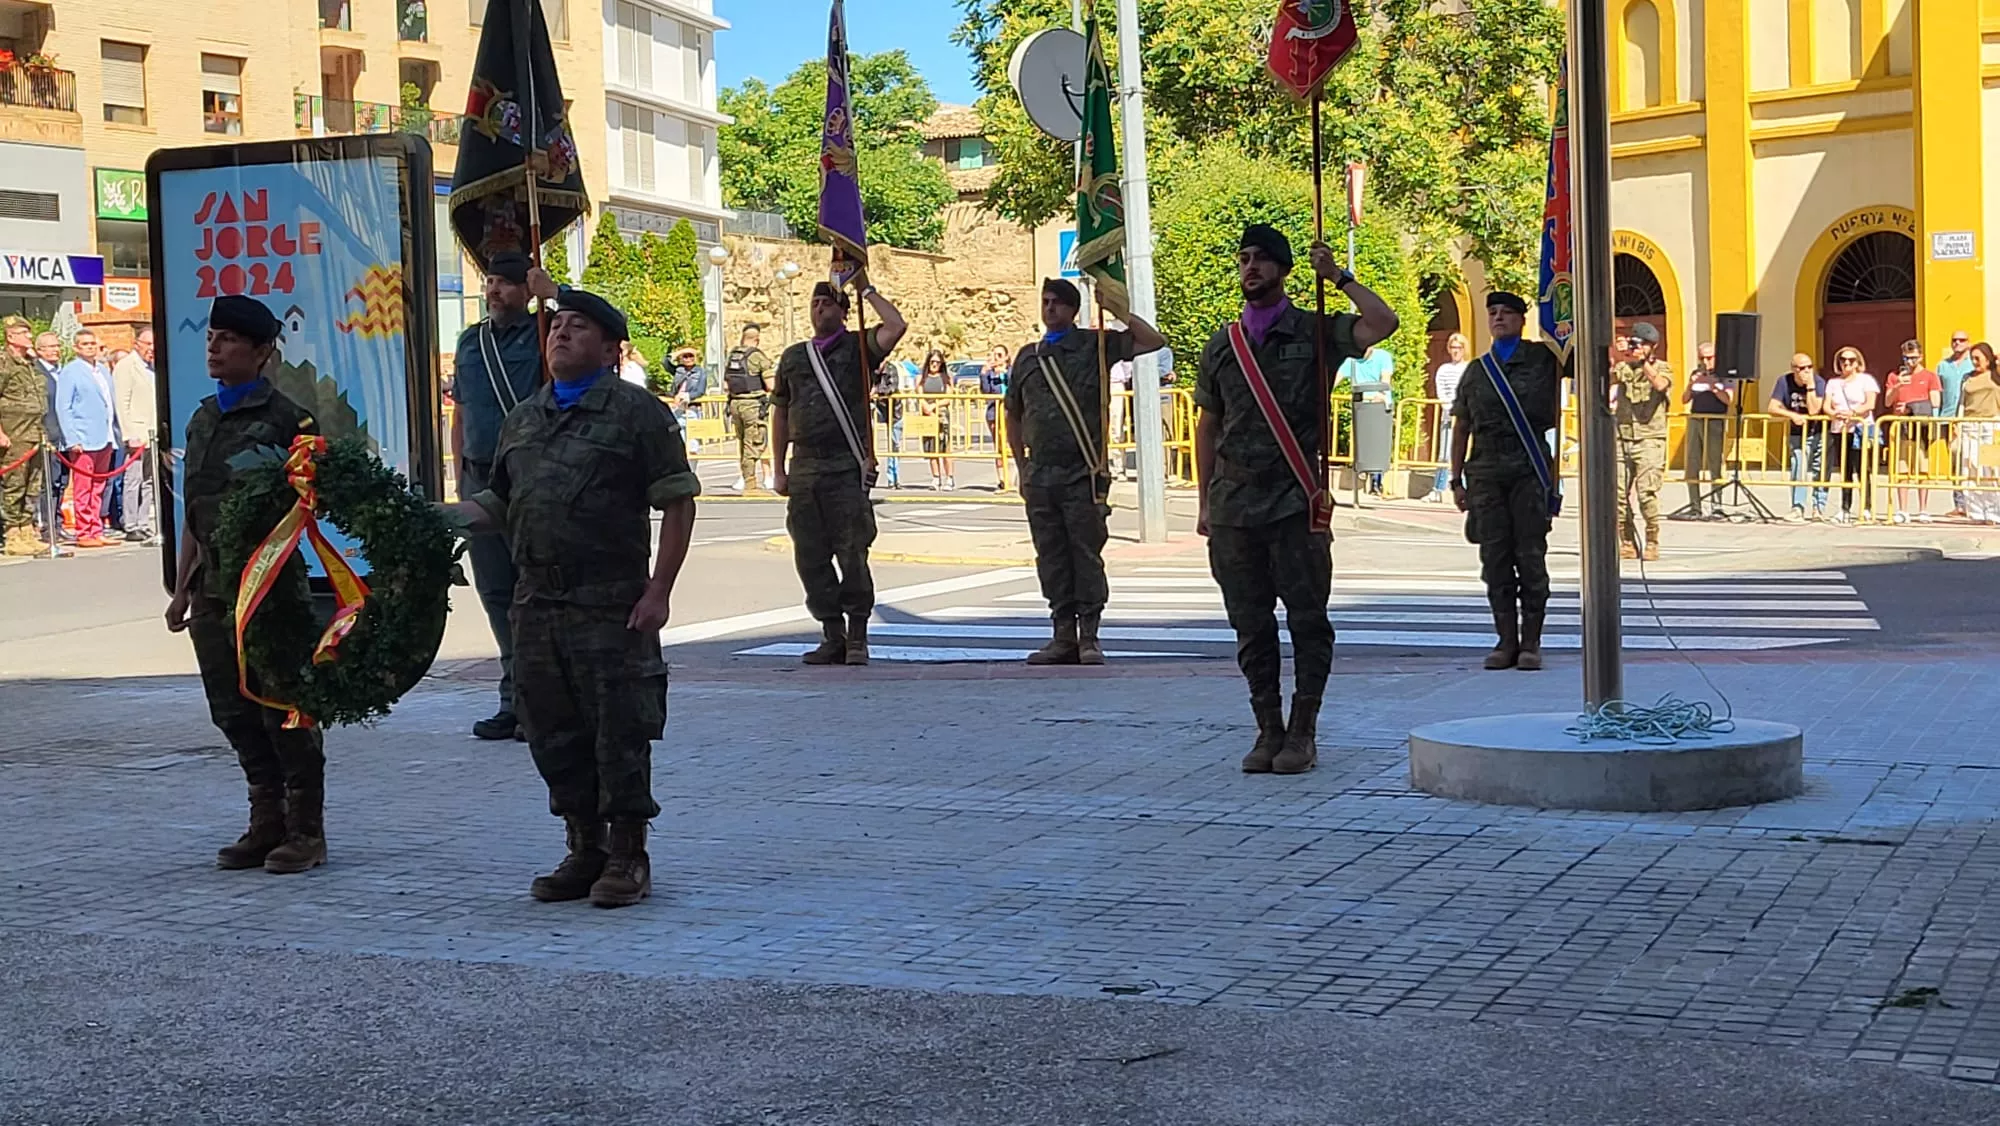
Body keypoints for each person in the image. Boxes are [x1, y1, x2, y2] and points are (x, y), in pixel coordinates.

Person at [447, 280, 700, 908]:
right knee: (550, 730)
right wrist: (436, 519)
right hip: (537, 603)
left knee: (619, 729)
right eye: (558, 326)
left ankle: (627, 854)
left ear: (612, 350)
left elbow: (677, 501)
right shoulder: (525, 416)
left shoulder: (636, 413)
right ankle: (583, 845)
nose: (561, 333)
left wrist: (660, 591)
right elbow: (498, 503)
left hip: (610, 603)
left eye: (579, 327)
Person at [1194, 224, 1398, 775]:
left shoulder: (1316, 331)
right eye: (1244, 258)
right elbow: (1208, 425)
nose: (1251, 267)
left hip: (1294, 501)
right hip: (1235, 506)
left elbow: (1383, 322)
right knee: (1250, 625)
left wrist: (1338, 276)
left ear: (1284, 270)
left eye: (1262, 259)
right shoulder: (1223, 345)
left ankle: (1303, 731)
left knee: (1307, 622)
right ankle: (1268, 729)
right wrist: (1205, 501)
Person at [164, 295, 328, 874]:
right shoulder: (202, 418)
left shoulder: (290, 422)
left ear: (261, 352)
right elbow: (195, 510)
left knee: (283, 707)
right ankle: (266, 820)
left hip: (271, 589)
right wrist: (182, 587)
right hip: (213, 590)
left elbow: (309, 504)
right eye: (212, 337)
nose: (215, 347)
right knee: (231, 710)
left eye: (229, 339)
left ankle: (306, 830)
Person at [1005, 278, 1166, 665]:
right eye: (1045, 302)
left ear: (1073, 310)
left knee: (1085, 555)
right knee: (1051, 557)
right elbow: (1013, 413)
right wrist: (1021, 465)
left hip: (1082, 474)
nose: (1050, 309)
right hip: (1040, 475)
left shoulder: (1096, 345)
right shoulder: (1029, 357)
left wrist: (1117, 309)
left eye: (1058, 303)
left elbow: (1152, 341)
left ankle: (1089, 636)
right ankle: (1063, 635)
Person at [772, 281, 908, 666]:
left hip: (845, 465)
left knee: (852, 553)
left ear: (843, 312)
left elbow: (896, 326)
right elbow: (781, 411)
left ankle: (858, 635)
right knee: (809, 555)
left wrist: (866, 290)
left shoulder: (859, 347)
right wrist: (778, 468)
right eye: (815, 303)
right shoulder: (795, 356)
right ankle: (832, 633)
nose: (819, 309)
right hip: (804, 467)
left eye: (827, 304)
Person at [451, 250, 546, 742]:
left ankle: (542, 702)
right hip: (479, 477)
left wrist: (554, 295)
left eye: (506, 283)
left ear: (527, 290)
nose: (494, 290)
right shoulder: (471, 342)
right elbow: (462, 411)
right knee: (495, 593)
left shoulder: (546, 332)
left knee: (536, 590)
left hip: (528, 478)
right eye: (490, 281)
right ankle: (513, 698)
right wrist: (458, 474)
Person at [1447, 293, 1564, 673]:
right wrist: (1456, 479)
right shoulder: (1477, 371)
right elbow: (1462, 426)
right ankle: (1506, 641)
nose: (1498, 318)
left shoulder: (1543, 359)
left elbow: (1583, 359)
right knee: (1494, 559)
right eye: (1493, 313)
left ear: (1521, 320)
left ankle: (1531, 641)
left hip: (1529, 469)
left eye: (1507, 313)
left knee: (1530, 556)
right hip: (1485, 472)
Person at [1611, 322, 1673, 560]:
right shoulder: (1624, 367)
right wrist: (1619, 355)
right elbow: (1604, 380)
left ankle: (1652, 539)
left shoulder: (1662, 367)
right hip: (1623, 436)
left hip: (1650, 438)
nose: (1639, 347)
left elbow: (1660, 385)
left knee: (1647, 494)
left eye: (1644, 344)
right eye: (1637, 343)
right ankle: (1626, 540)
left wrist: (1644, 363)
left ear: (1653, 346)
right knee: (1618, 495)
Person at [55, 328, 117, 548]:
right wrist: (72, 438)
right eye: (85, 344)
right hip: (83, 438)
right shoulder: (71, 371)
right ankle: (84, 531)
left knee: (99, 486)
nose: (90, 347)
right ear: (76, 348)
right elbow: (63, 407)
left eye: (92, 344)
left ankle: (96, 529)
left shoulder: (103, 370)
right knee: (83, 487)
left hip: (105, 436)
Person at [0, 315, 47, 556]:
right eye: (24, 333)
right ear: (11, 337)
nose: (30, 337)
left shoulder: (30, 363)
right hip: (14, 433)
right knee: (14, 485)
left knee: (32, 485)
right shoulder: (4, 362)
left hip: (34, 432)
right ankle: (12, 534)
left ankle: (27, 530)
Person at [1883, 339, 1942, 523]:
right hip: (1901, 426)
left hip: (1921, 426)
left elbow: (1935, 402)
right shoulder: (1894, 376)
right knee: (1902, 468)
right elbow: (1887, 401)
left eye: (1914, 358)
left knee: (1922, 467)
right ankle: (1903, 509)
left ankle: (1923, 509)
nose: (1910, 362)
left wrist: (1911, 407)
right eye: (1906, 358)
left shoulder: (1930, 376)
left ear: (1921, 357)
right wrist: (1898, 385)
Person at [1824, 345, 1881, 525]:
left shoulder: (1866, 380)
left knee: (1863, 469)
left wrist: (1853, 413)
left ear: (1857, 362)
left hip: (1860, 429)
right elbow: (1826, 406)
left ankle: (1866, 507)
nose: (1846, 363)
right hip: (1840, 429)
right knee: (1845, 470)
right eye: (1843, 360)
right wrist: (1835, 414)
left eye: (1851, 360)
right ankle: (1845, 508)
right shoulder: (1833, 383)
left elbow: (1870, 404)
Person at [1767, 353, 1827, 522]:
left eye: (1809, 367)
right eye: (1802, 368)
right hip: (1797, 433)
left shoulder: (1819, 382)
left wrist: (1810, 387)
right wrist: (1792, 415)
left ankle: (1818, 508)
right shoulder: (1784, 381)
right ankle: (1797, 508)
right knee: (1798, 467)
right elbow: (1772, 407)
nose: (1806, 371)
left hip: (1819, 431)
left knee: (1820, 469)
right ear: (1793, 369)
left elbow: (1814, 410)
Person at [112, 326, 157, 543]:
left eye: (154, 344)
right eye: (148, 344)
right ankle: (130, 524)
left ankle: (143, 522)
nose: (152, 348)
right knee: (133, 480)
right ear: (136, 344)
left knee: (149, 481)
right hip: (137, 433)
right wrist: (129, 434)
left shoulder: (153, 367)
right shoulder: (126, 367)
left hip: (152, 433)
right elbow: (122, 403)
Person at [1679, 341, 1730, 519]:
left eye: (1709, 358)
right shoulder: (1696, 373)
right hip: (1696, 419)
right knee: (1692, 464)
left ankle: (1717, 506)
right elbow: (1684, 399)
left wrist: (1713, 386)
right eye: (1702, 358)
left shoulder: (1724, 375)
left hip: (1715, 420)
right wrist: (1690, 384)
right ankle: (1695, 506)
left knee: (1714, 463)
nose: (1705, 362)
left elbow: (1728, 400)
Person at [1337, 344, 1395, 494]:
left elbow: (1385, 380)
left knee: (1378, 442)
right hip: (1362, 406)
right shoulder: (1351, 361)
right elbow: (1337, 377)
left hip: (1380, 405)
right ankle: (1363, 471)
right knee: (1363, 441)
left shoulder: (1383, 357)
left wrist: (1381, 394)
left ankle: (1376, 481)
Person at [723, 325, 773, 495]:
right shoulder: (757, 356)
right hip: (752, 406)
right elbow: (771, 385)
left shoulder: (733, 356)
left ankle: (747, 479)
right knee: (753, 444)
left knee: (743, 444)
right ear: (757, 339)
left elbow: (726, 385)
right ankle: (750, 485)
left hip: (735, 404)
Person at [1957, 342, 2000, 525]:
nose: (1974, 362)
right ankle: (1975, 512)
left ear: (1987, 358)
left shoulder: (1996, 375)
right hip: (1969, 425)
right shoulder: (1967, 378)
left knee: (1990, 469)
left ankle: (1993, 512)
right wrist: (1958, 422)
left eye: (1978, 358)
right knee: (1970, 468)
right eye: (1972, 358)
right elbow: (1962, 402)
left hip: (1990, 425)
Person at [1938, 330, 1974, 517]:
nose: (1957, 343)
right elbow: (1938, 393)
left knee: (1973, 461)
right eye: (1954, 340)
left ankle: (1975, 503)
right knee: (1955, 461)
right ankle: (1960, 504)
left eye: (1962, 340)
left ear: (1968, 342)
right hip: (1948, 418)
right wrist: (1936, 418)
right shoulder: (1943, 366)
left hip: (1970, 419)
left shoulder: (1974, 364)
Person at [1430, 333, 1470, 501]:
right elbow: (1441, 391)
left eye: (1459, 348)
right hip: (1448, 415)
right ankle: (1438, 488)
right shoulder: (1443, 369)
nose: (1456, 351)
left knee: (1465, 452)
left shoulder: (1469, 368)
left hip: (1466, 415)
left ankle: (1465, 487)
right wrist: (1449, 407)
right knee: (1444, 453)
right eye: (1453, 347)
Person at [917, 349, 955, 489]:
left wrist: (934, 405)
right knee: (931, 447)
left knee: (945, 446)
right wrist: (926, 408)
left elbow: (948, 397)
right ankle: (936, 477)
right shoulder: (921, 378)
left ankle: (949, 478)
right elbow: (919, 395)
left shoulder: (946, 378)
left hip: (942, 414)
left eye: (938, 362)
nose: (934, 364)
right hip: (927, 414)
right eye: (932, 361)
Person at [980, 343, 1010, 479]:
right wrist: (983, 374)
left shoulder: (1011, 371)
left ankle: (1015, 476)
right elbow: (985, 391)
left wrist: (1005, 373)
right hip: (994, 411)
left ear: (1006, 357)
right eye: (994, 354)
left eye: (999, 355)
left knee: (1013, 443)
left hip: (1010, 411)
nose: (996, 358)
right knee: (998, 445)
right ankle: (1002, 478)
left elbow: (1015, 385)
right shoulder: (989, 374)